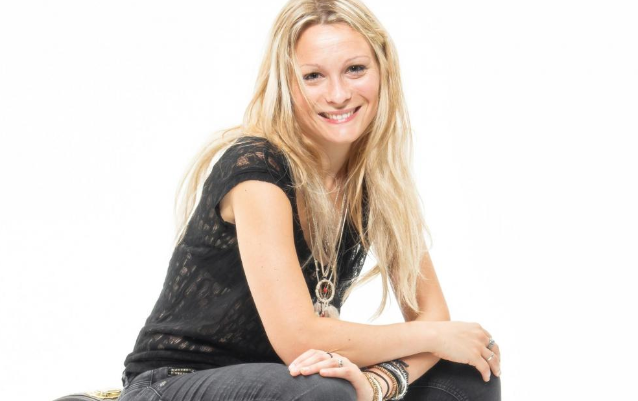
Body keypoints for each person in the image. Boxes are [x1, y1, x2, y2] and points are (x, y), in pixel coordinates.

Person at [118, 0, 501, 400]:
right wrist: (433, 337)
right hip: (174, 381)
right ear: (286, 85)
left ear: (383, 70)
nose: (338, 94)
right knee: (325, 391)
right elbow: (299, 339)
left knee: (470, 367)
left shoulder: (374, 180)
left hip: (289, 381)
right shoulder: (257, 168)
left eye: (355, 69)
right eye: (313, 76)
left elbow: (433, 315)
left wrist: (380, 382)